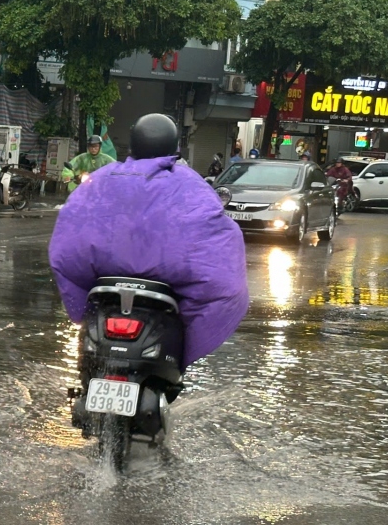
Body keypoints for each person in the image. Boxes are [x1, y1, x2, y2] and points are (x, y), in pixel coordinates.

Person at [48, 113, 249, 370]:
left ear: (133, 145)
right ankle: (177, 360)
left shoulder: (103, 177)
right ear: (174, 147)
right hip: (162, 291)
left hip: (105, 282)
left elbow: (69, 229)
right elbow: (218, 248)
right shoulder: (191, 184)